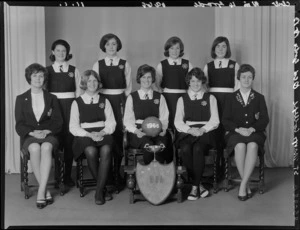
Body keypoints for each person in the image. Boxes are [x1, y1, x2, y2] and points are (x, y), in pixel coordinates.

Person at [15, 63, 63, 209]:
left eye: (41, 76)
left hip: (49, 134)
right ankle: (45, 190)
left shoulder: (52, 98)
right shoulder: (21, 98)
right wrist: (32, 132)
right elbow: (20, 124)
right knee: (35, 148)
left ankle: (41, 192)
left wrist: (47, 132)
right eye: (34, 75)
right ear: (29, 78)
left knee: (47, 147)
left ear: (45, 79)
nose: (38, 79)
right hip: (30, 135)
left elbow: (58, 121)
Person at [222, 64, 269, 201]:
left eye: (249, 77)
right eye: (244, 77)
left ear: (253, 79)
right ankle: (246, 183)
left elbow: (264, 119)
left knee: (253, 145)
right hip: (235, 132)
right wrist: (238, 129)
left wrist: (252, 129)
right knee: (240, 146)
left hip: (255, 132)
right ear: (239, 78)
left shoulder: (259, 97)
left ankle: (243, 185)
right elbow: (225, 120)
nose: (246, 80)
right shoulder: (230, 98)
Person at [69, 70, 116, 205]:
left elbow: (111, 122)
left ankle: (98, 191)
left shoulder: (104, 100)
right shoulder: (77, 102)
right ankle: (103, 189)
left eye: (95, 80)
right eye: (89, 81)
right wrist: (89, 134)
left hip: (103, 132)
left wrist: (102, 133)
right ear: (84, 83)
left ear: (98, 83)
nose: (92, 83)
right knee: (91, 151)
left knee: (106, 149)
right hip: (84, 134)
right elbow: (73, 127)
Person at [174, 67, 220, 201]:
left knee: (198, 148)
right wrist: (190, 130)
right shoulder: (182, 99)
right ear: (188, 82)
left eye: (198, 81)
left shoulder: (210, 98)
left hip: (206, 131)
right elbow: (177, 121)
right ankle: (198, 184)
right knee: (186, 148)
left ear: (202, 82)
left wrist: (202, 129)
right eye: (193, 81)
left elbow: (215, 120)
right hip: (188, 131)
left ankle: (194, 188)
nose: (195, 84)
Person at [92, 33, 132, 174]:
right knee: (106, 133)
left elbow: (128, 88)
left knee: (120, 134)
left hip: (119, 101)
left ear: (118, 46)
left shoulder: (124, 64)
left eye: (114, 44)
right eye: (108, 44)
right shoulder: (98, 64)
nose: (111, 47)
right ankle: (105, 171)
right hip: (103, 101)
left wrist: (126, 105)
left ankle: (117, 171)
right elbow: (94, 86)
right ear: (103, 46)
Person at [46, 39, 82, 187]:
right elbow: (45, 93)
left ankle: (67, 176)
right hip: (54, 108)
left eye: (64, 51)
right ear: (53, 52)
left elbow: (79, 92)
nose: (61, 53)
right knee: (56, 140)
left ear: (67, 53)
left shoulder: (74, 70)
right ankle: (57, 177)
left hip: (71, 106)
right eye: (58, 50)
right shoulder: (47, 71)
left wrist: (78, 110)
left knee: (69, 141)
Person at [203, 36, 240, 175]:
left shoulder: (234, 65)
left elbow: (237, 87)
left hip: (229, 100)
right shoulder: (208, 66)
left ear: (227, 48)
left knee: (228, 130)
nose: (220, 49)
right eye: (218, 46)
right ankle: (217, 166)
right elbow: (204, 86)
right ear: (214, 49)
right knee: (215, 130)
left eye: (223, 46)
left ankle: (227, 165)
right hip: (214, 100)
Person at [124, 64, 172, 165]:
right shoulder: (132, 97)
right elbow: (128, 120)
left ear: (153, 78)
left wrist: (162, 130)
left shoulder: (159, 97)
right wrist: (136, 131)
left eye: (149, 77)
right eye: (143, 77)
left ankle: (159, 175)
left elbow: (164, 117)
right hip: (139, 131)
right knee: (148, 145)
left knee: (161, 145)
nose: (146, 80)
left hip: (157, 130)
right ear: (139, 78)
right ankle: (148, 176)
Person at [155, 36, 193, 129]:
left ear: (181, 50)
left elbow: (192, 82)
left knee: (183, 120)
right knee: (169, 119)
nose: (174, 51)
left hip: (184, 96)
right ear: (168, 50)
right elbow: (157, 83)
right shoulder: (162, 65)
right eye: (172, 48)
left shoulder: (187, 64)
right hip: (168, 97)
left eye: (177, 48)